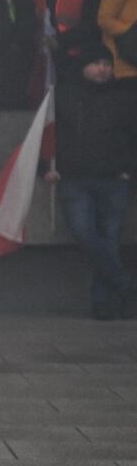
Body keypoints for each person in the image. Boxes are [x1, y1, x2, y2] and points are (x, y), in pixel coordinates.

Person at [44, 51, 137, 320]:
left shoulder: (124, 99)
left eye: (107, 64)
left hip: (114, 179)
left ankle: (103, 303)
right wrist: (46, 168)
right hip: (74, 179)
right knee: (85, 232)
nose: (103, 69)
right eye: (96, 63)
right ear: (83, 66)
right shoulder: (63, 96)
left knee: (109, 240)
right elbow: (49, 134)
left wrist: (128, 169)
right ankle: (126, 284)